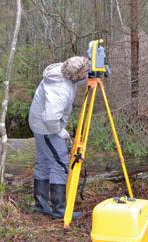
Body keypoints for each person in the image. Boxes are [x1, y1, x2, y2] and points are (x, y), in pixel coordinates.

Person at [28, 56, 89, 219]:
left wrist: (92, 74)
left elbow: (75, 79)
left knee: (44, 160)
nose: (86, 73)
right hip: (47, 126)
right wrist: (58, 130)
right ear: (76, 75)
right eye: (85, 71)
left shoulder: (63, 70)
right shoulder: (60, 89)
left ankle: (41, 205)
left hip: (39, 121)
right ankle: (59, 210)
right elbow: (50, 118)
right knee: (60, 163)